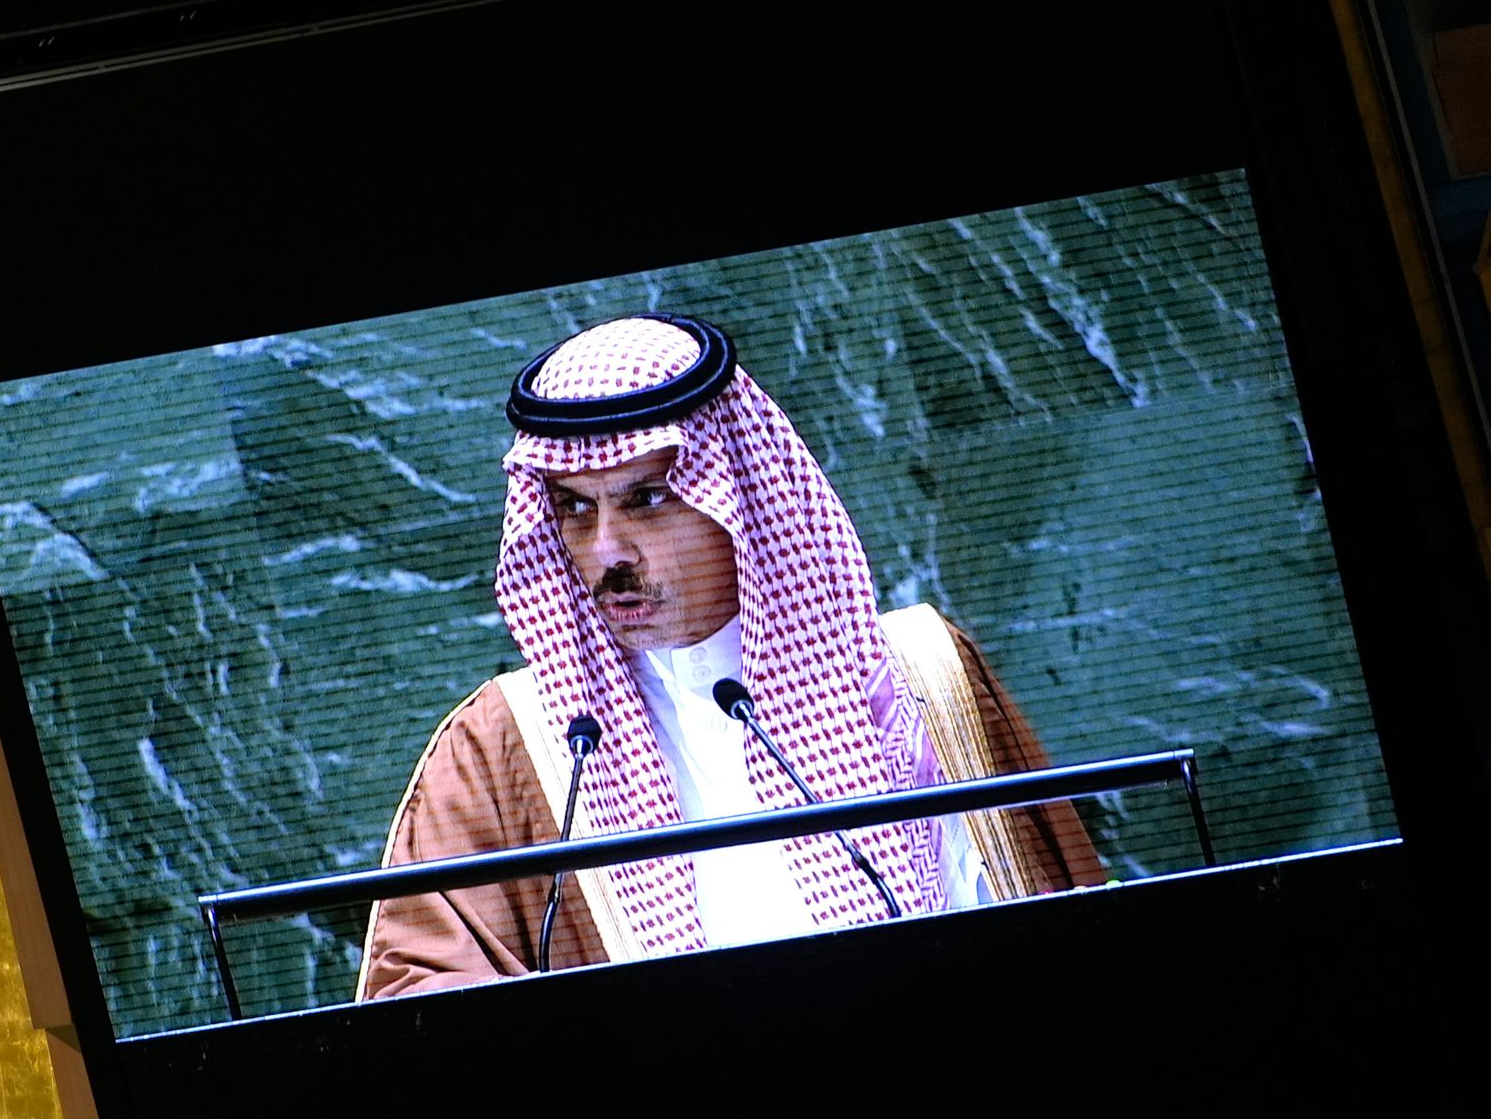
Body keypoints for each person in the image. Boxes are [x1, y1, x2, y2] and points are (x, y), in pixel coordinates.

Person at [357, 313, 1100, 996]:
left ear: (736, 497)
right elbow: (423, 1002)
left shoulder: (924, 679)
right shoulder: (504, 747)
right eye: (575, 508)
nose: (605, 551)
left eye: (646, 499)